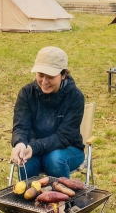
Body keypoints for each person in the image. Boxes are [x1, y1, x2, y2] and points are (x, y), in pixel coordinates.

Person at [10, 47, 85, 179]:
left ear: (63, 75)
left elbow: (65, 136)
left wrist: (33, 147)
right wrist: (20, 143)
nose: (44, 82)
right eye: (40, 75)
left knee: (54, 160)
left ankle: (61, 193)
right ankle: (28, 192)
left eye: (50, 77)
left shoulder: (75, 96)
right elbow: (21, 126)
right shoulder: (27, 93)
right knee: (26, 162)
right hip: (34, 147)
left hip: (68, 148)